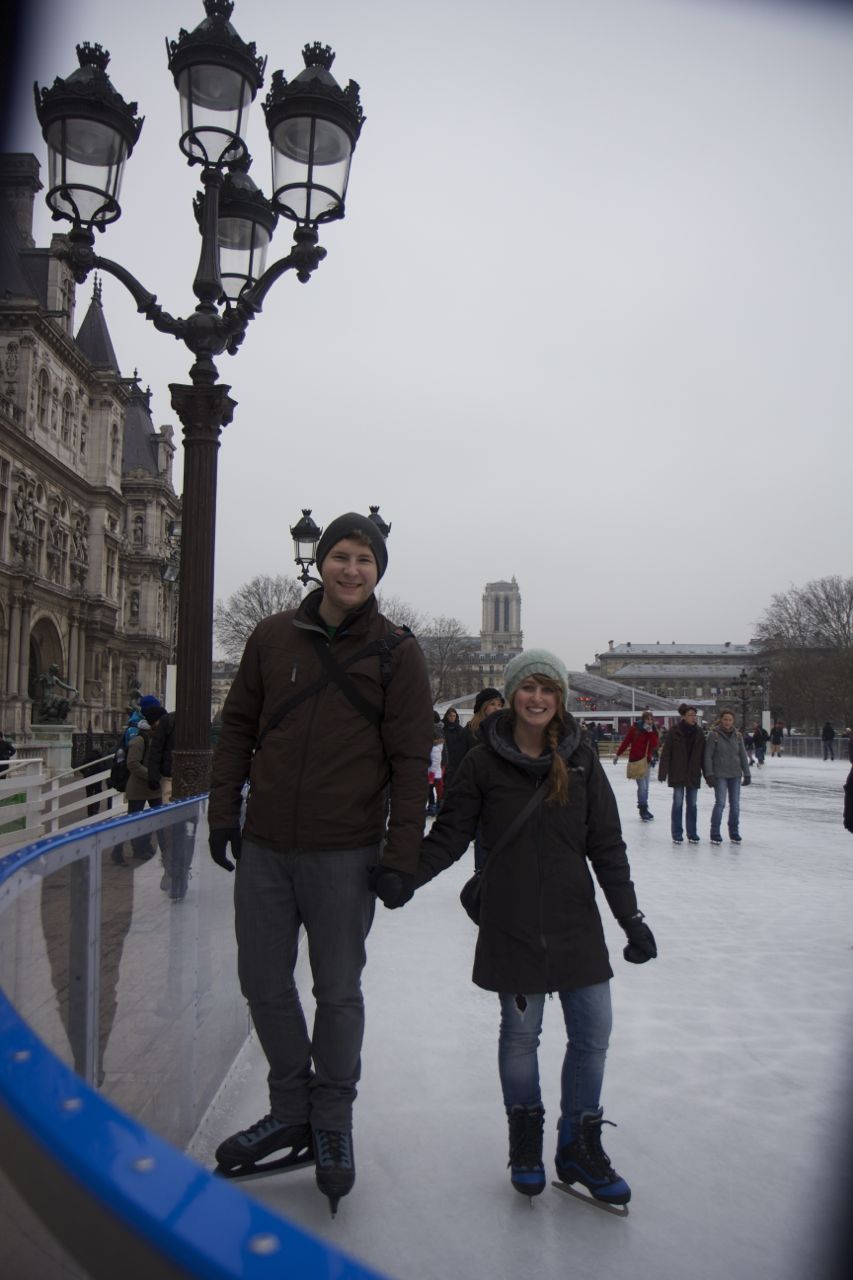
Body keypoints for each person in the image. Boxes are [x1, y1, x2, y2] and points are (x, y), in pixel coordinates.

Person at [371, 649, 656, 1209]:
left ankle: (578, 1145)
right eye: (528, 688)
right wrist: (407, 876)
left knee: (592, 1036)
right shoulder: (483, 763)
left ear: (560, 699)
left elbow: (606, 845)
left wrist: (632, 919)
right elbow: (450, 835)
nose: (537, 698)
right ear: (511, 693)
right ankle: (525, 1142)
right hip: (513, 921)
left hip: (575, 922)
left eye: (548, 689)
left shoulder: (581, 758)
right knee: (522, 1036)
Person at [207, 512, 433, 1213]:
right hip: (267, 844)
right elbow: (237, 728)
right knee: (262, 981)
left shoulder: (398, 653)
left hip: (345, 850)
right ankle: (290, 1107)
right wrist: (222, 812)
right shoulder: (271, 636)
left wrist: (400, 854)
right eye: (341, 555)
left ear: (378, 570)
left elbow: (410, 761)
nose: (351, 569)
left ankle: (331, 1118)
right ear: (321, 563)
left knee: (336, 991)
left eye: (365, 559)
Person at [463, 687, 505, 870]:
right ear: (483, 706)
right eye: (492, 704)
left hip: (502, 792)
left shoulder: (505, 730)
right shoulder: (470, 731)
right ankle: (481, 875)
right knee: (482, 836)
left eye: (499, 705)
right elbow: (460, 763)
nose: (497, 708)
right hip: (478, 792)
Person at [122, 696, 165, 863]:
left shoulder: (156, 739)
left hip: (153, 787)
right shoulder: (139, 740)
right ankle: (137, 849)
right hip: (139, 788)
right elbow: (132, 764)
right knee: (135, 821)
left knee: (158, 819)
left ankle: (153, 847)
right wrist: (151, 774)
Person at [658, 704, 706, 846]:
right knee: (678, 803)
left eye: (694, 715)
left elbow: (703, 755)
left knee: (692, 804)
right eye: (690, 715)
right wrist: (663, 772)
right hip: (678, 771)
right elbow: (666, 753)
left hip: (693, 773)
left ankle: (692, 832)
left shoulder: (699, 732)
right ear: (684, 716)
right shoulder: (674, 732)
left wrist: (708, 774)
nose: (693, 718)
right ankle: (677, 833)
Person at [703, 710, 751, 846]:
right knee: (720, 803)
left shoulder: (738, 735)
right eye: (725, 719)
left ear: (733, 721)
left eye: (730, 720)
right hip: (720, 775)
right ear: (721, 720)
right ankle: (715, 832)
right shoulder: (714, 735)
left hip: (735, 774)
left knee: (735, 805)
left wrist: (747, 773)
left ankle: (734, 832)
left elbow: (742, 755)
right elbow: (708, 755)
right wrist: (709, 774)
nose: (727, 722)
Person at [613, 710, 660, 821]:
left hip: (646, 761)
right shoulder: (635, 729)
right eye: (647, 719)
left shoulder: (652, 730)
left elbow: (655, 745)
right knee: (642, 787)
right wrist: (618, 754)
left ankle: (645, 808)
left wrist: (650, 732)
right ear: (643, 719)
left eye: (651, 719)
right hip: (636, 761)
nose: (649, 721)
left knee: (646, 787)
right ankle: (642, 809)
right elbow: (626, 742)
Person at [441, 706, 468, 790]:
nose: (452, 718)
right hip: (444, 757)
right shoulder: (442, 728)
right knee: (442, 781)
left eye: (454, 716)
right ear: (447, 716)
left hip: (456, 759)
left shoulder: (460, 729)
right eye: (450, 716)